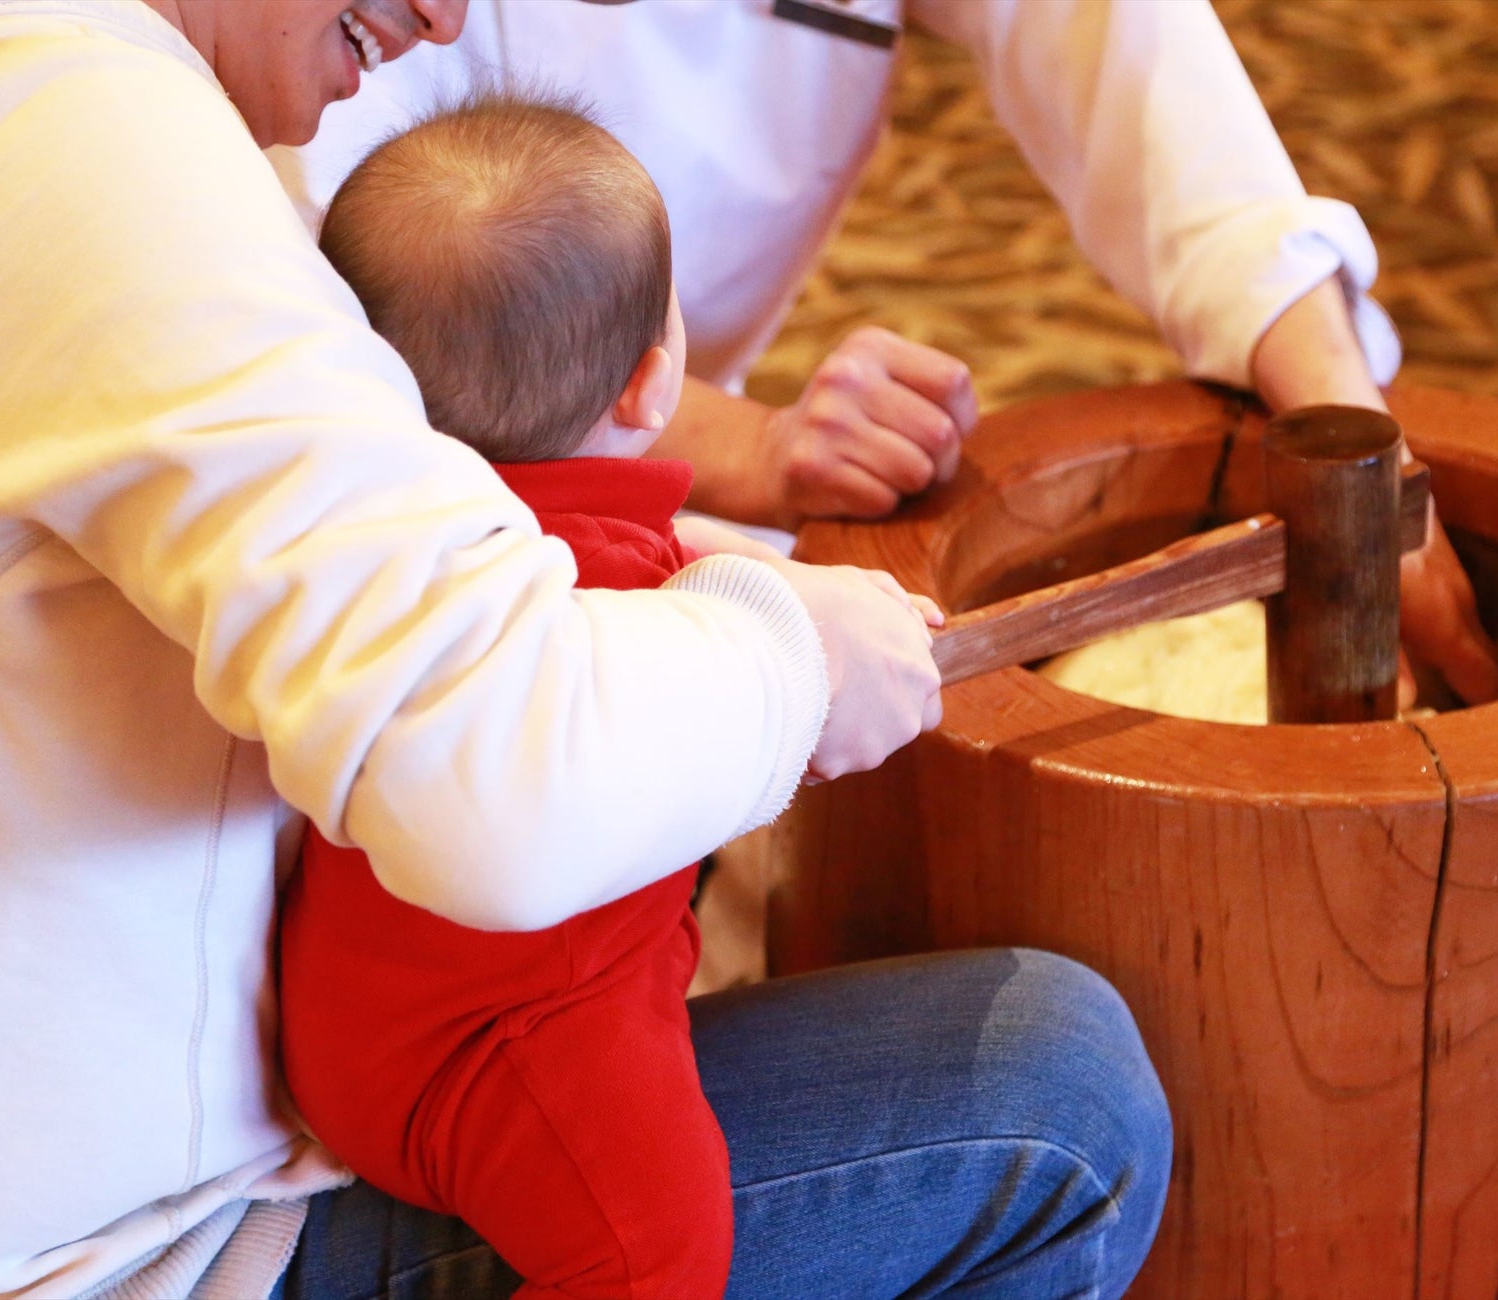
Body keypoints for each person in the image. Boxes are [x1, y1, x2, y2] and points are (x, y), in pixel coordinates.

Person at [0, 2, 1169, 1298]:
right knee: (1055, 1108)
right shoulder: (89, 151)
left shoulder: (96, 99)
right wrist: (793, 652)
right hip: (132, 1253)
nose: (450, 16)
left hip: (277, 1089)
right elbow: (489, 789)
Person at [275, 0, 1498, 706]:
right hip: (449, 517)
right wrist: (752, 447)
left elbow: (1133, 66)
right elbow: (384, 328)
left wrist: (1356, 443)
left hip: (665, 417)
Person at [283, 95, 934, 1299]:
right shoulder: (629, 594)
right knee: (661, 1250)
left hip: (342, 1021)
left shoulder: (377, 541)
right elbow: (726, 720)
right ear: (650, 385)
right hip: (507, 1054)